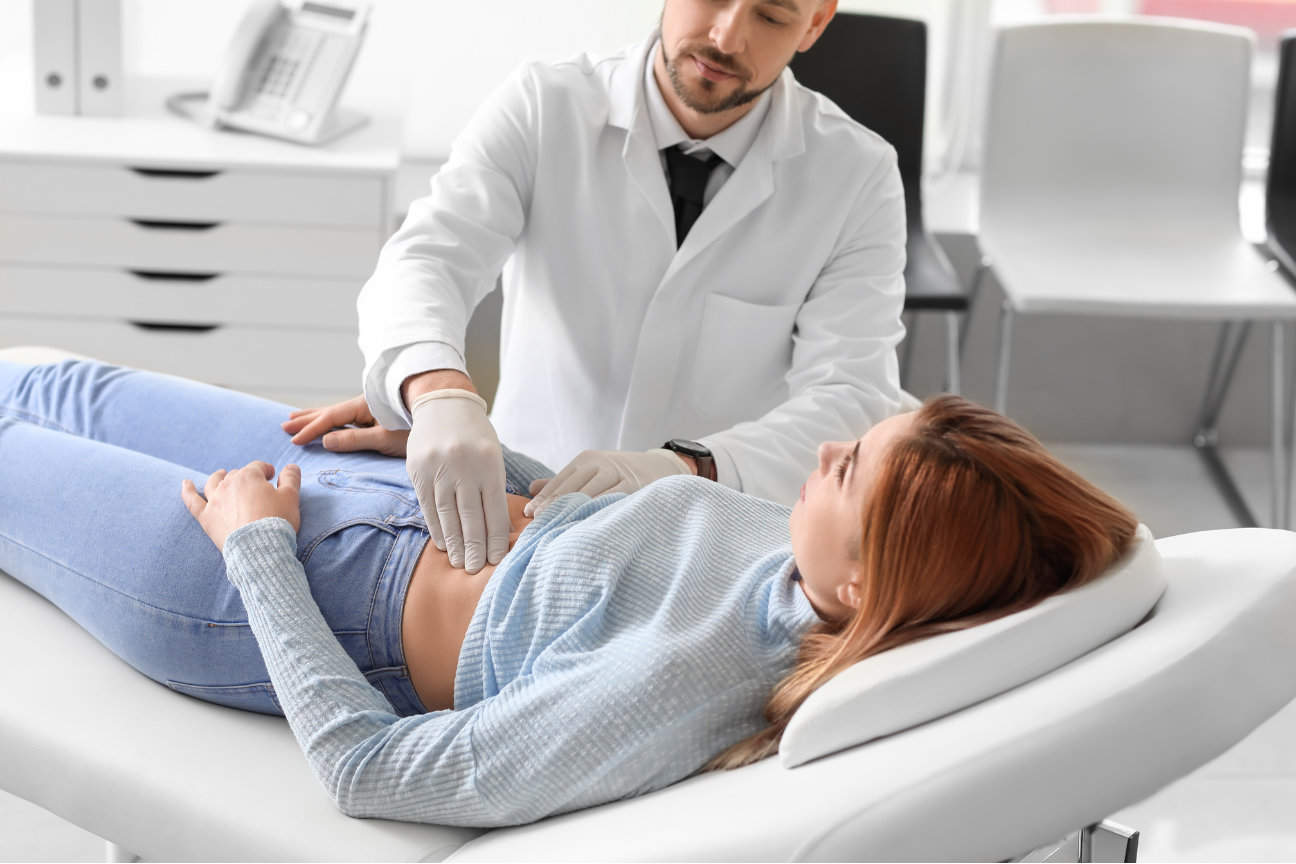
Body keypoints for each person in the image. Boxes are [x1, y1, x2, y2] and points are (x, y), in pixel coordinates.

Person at [0, 358, 1137, 828]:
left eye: (855, 470)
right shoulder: (805, 561)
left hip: (295, 581)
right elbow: (615, 547)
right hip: (380, 491)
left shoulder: (699, 682)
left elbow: (373, 774)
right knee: (52, 381)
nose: (830, 448)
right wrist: (443, 451)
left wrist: (258, 553)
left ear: (863, 584)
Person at [358, 0, 908, 576]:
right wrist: (435, 389)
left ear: (815, 24)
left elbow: (852, 395)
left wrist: (688, 468)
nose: (727, 37)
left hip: (712, 536)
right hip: (527, 499)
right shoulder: (545, 103)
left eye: (770, 17)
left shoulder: (856, 174)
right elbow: (427, 256)